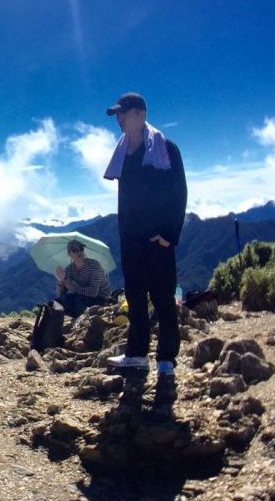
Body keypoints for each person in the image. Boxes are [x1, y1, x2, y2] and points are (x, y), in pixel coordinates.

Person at [102, 93, 187, 395]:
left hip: (158, 240)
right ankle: (137, 355)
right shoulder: (123, 152)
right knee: (136, 298)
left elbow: (179, 194)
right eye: (117, 115)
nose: (119, 120)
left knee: (164, 299)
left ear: (140, 114)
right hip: (131, 239)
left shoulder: (165, 149)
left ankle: (166, 361)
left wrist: (169, 233)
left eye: (123, 114)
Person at [54, 241, 111, 318]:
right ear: (69, 254)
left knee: (76, 301)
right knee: (58, 302)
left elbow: (93, 292)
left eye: (81, 249)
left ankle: (80, 318)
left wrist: (73, 288)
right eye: (75, 250)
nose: (79, 252)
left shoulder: (94, 265)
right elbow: (60, 295)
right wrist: (60, 281)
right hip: (81, 296)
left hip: (100, 297)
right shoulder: (68, 269)